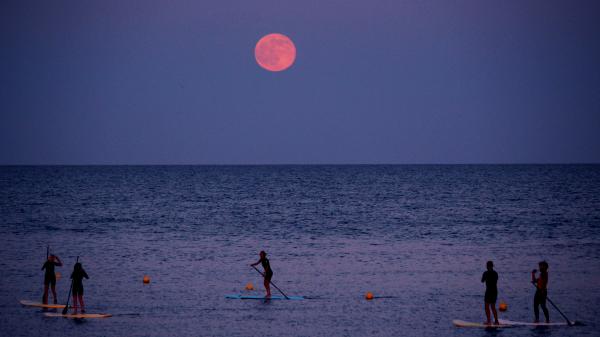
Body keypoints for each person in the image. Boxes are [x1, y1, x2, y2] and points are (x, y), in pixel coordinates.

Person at [481, 261, 500, 325]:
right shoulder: (495, 273)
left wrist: (485, 277)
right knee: (492, 306)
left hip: (489, 291)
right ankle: (496, 321)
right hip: (494, 291)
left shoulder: (486, 273)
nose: (486, 267)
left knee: (487, 306)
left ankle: (489, 321)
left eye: (487, 266)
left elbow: (482, 281)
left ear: (488, 266)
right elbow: (495, 280)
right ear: (492, 266)